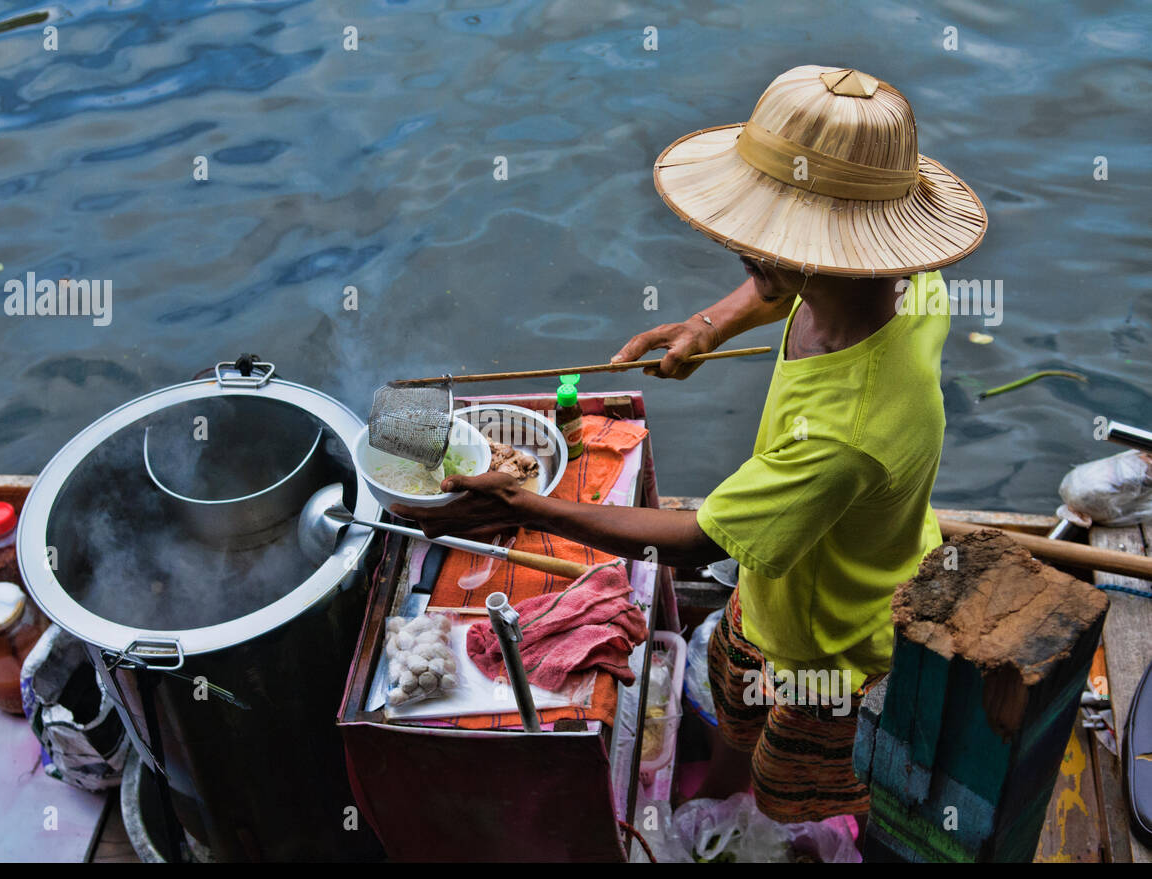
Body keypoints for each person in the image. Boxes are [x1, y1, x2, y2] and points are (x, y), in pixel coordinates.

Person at [395, 65, 987, 825]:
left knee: (792, 786)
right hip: (783, 575)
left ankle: (775, 820)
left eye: (761, 242)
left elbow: (694, 537)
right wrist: (706, 327)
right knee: (736, 686)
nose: (747, 251)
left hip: (832, 644)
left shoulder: (847, 435)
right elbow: (784, 286)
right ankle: (718, 782)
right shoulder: (908, 286)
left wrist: (524, 503)